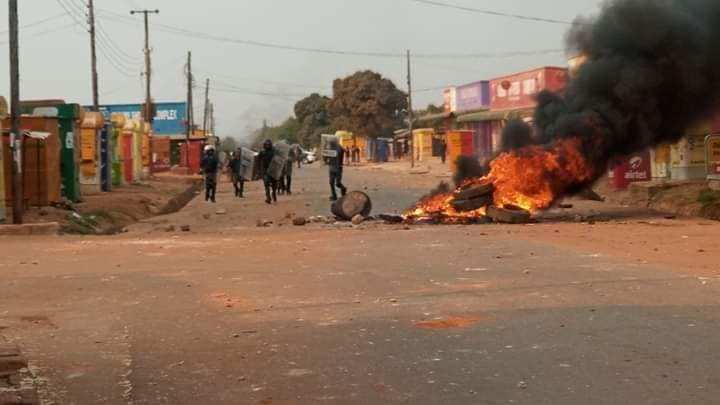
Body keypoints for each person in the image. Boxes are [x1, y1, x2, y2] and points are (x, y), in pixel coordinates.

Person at [258, 139, 278, 204]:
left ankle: (274, 193)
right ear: (264, 145)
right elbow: (258, 160)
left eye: (268, 144)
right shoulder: (262, 152)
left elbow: (279, 160)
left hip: (273, 170)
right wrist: (259, 170)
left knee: (274, 185)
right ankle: (268, 197)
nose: (267, 145)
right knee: (266, 183)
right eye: (266, 144)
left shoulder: (274, 151)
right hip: (265, 170)